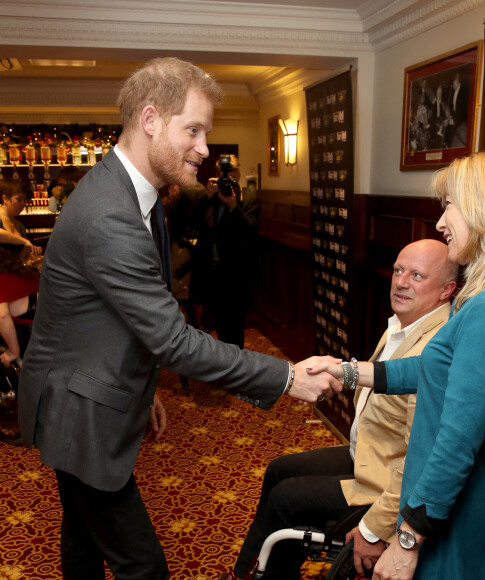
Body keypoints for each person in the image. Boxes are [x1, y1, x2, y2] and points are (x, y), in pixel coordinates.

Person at [17, 57, 341, 580]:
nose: (204, 148)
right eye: (193, 129)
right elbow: (172, 338)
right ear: (150, 120)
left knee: (82, 545)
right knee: (144, 567)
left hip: (80, 400)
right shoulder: (111, 214)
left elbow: (115, 323)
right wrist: (286, 376)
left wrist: (142, 393)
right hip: (79, 416)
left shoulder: (128, 196)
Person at [308, 149, 485, 579]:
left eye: (452, 206)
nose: (442, 221)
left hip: (451, 528)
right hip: (443, 515)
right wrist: (350, 372)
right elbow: (432, 368)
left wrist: (407, 540)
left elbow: (456, 442)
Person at [222, 239, 458, 580]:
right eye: (398, 270)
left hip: (386, 484)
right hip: (368, 454)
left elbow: (421, 463)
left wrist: (375, 528)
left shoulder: (435, 347)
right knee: (278, 470)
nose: (401, 281)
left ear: (446, 289)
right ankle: (252, 571)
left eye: (417, 275)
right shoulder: (405, 325)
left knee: (284, 498)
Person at [186, 153, 259, 348]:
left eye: (232, 173)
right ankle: (227, 369)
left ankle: (238, 370)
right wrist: (206, 197)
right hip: (212, 276)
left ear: (239, 173)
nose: (228, 178)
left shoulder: (248, 198)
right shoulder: (210, 198)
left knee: (236, 329)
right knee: (219, 327)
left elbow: (251, 230)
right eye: (223, 174)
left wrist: (234, 207)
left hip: (236, 277)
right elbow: (191, 224)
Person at [0, 179, 42, 366]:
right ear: (5, 199)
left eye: (25, 200)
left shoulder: (18, 224)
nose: (23, 204)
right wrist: (23, 242)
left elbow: (20, 259)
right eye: (19, 199)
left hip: (18, 284)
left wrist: (29, 254)